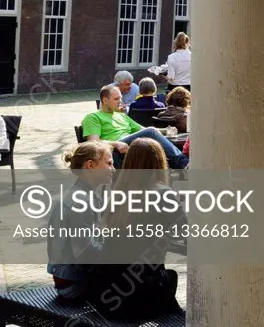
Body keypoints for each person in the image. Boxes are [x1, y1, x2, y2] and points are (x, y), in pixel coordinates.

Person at [101, 138, 183, 319]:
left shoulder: (117, 193)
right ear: (159, 163)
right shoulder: (163, 194)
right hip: (139, 301)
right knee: (170, 276)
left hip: (108, 298)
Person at [48, 142, 114, 305]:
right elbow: (85, 253)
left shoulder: (84, 194)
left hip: (72, 277)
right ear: (90, 165)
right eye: (109, 164)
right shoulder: (80, 202)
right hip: (74, 285)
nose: (113, 169)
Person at [83, 85, 188, 168]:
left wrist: (166, 130)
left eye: (120, 98)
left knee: (153, 143)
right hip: (116, 148)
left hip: (132, 147)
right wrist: (116, 144)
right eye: (116, 99)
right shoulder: (93, 117)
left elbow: (143, 130)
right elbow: (93, 142)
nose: (120, 101)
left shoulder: (121, 116)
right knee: (151, 131)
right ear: (105, 100)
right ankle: (183, 162)